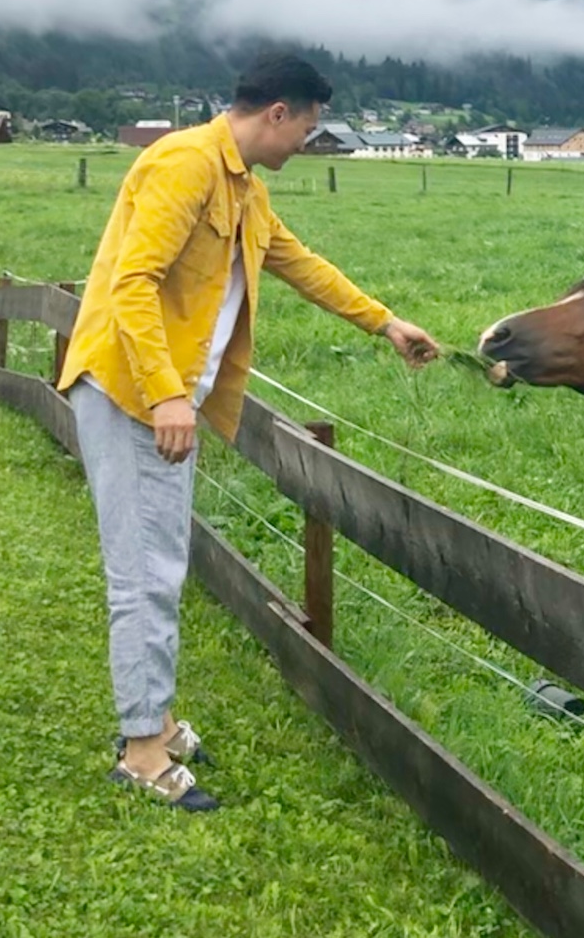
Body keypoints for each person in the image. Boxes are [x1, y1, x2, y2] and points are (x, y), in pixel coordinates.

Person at [58, 53, 438, 810]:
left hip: (162, 399)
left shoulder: (244, 189)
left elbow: (299, 264)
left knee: (161, 558)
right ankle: (140, 748)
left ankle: (155, 718)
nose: (308, 140)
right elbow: (132, 283)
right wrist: (168, 394)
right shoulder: (185, 164)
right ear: (277, 114)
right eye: (307, 125)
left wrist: (383, 321)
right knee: (144, 573)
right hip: (134, 394)